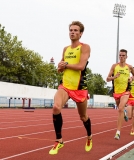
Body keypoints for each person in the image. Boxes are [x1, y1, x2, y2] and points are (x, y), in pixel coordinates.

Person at [49, 21, 92, 155]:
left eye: (75, 30)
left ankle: (89, 137)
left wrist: (65, 64)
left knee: (83, 116)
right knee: (56, 107)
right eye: (71, 30)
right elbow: (60, 69)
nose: (72, 32)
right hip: (65, 86)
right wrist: (60, 67)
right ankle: (59, 140)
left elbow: (81, 66)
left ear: (80, 33)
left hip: (79, 87)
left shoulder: (85, 47)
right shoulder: (65, 49)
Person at [106, 49, 134, 140]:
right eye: (120, 55)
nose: (121, 57)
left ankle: (118, 132)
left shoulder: (129, 67)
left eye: (123, 55)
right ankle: (124, 114)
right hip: (116, 92)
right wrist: (114, 77)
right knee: (120, 109)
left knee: (120, 108)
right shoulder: (114, 66)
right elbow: (107, 79)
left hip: (126, 91)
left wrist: (132, 78)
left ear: (126, 57)